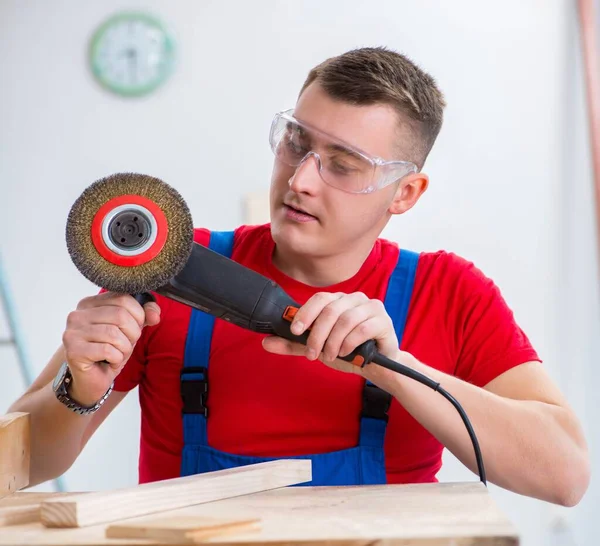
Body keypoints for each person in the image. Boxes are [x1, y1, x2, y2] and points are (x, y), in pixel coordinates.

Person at [9, 47, 590, 506]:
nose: (302, 180)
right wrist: (78, 388)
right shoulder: (171, 270)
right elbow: (20, 465)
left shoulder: (451, 292)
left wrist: (401, 373)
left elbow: (565, 478)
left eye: (342, 165)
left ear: (405, 193)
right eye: (296, 143)